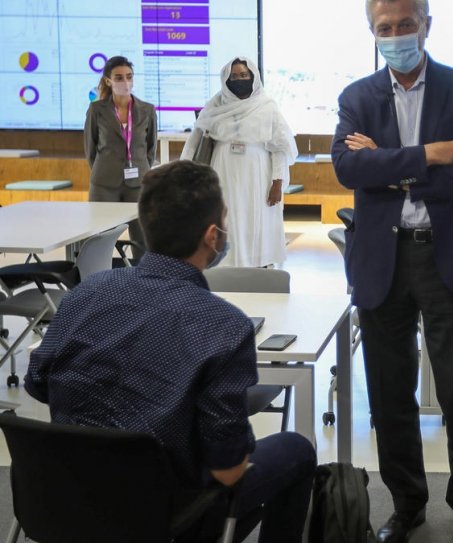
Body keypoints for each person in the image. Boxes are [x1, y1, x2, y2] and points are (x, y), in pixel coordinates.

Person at [26, 160, 316, 543]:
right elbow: (228, 470)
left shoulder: (85, 295)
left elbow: (36, 385)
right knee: (296, 449)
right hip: (167, 514)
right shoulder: (224, 326)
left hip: (63, 500)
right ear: (213, 236)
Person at [330, 1, 453, 541]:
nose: (396, 35)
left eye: (406, 25)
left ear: (427, 25)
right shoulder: (357, 97)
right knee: (389, 389)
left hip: (445, 255)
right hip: (382, 261)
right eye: (385, 28)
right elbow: (348, 166)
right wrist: (428, 154)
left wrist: (394, 167)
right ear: (371, 32)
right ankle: (407, 504)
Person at [181, 57, 297, 268]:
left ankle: (257, 263)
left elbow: (279, 147)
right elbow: (194, 143)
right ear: (226, 80)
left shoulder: (267, 107)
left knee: (256, 217)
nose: (239, 79)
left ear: (253, 77)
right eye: (234, 76)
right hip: (222, 171)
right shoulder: (215, 106)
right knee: (226, 217)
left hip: (258, 174)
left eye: (244, 75)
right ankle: (225, 263)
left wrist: (277, 182)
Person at [84, 55, 156, 257]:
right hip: (104, 183)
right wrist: (106, 169)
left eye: (129, 76)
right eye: (119, 77)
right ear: (108, 81)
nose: (125, 82)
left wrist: (139, 169)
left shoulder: (147, 110)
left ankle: (143, 280)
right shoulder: (97, 110)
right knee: (100, 236)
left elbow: (150, 149)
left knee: (142, 236)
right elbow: (90, 149)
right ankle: (99, 281)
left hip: (139, 182)